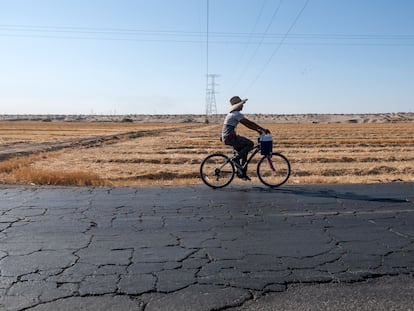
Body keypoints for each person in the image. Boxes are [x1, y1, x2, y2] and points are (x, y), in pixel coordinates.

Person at [221, 96, 270, 180]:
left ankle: (242, 173)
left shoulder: (233, 113)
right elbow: (248, 123)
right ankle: (236, 160)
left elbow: (249, 124)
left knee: (244, 151)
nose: (243, 106)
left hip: (228, 136)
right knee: (250, 144)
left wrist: (257, 130)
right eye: (241, 104)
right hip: (230, 137)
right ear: (238, 106)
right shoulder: (236, 114)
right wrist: (262, 129)